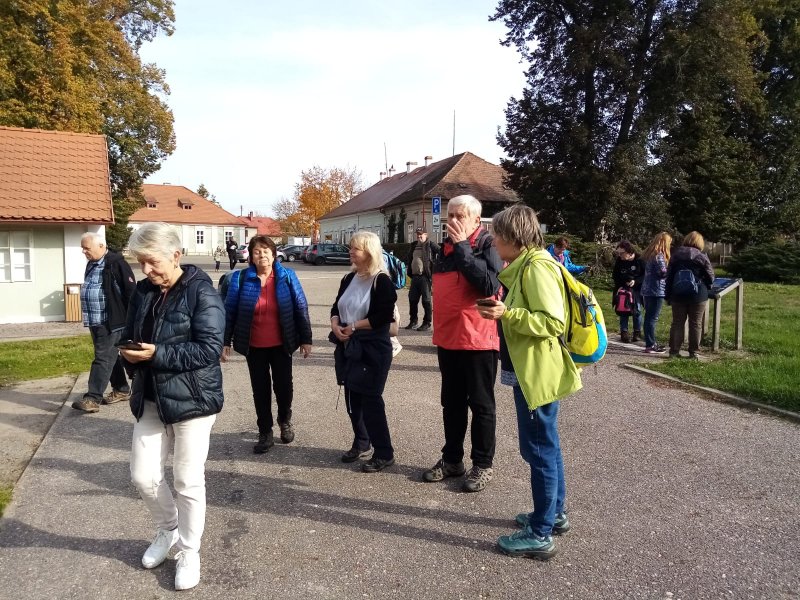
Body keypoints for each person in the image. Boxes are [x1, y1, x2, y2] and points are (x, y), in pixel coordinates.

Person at [119, 222, 225, 591]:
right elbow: (130, 332)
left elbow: (210, 349)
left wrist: (157, 353)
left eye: (151, 262)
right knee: (142, 475)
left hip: (194, 399)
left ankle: (190, 551)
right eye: (141, 263)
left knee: (187, 479)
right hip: (150, 394)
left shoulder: (202, 293)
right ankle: (169, 531)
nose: (146, 271)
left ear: (175, 255)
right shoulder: (144, 292)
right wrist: (130, 353)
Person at [476, 204, 582, 560]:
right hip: (531, 370)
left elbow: (552, 322)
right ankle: (553, 515)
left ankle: (540, 533)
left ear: (513, 238)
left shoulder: (537, 268)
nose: (492, 240)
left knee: (538, 450)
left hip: (538, 375)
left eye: (496, 235)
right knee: (545, 447)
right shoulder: (525, 266)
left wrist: (508, 313)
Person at [423, 194, 503, 493]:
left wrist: (462, 248)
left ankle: (482, 464)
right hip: (448, 338)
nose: (452, 221)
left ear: (475, 218)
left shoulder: (487, 244)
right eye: (450, 216)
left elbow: (488, 285)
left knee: (481, 405)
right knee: (451, 403)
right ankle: (452, 459)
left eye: (459, 216)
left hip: (479, 340)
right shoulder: (444, 248)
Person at [223, 235, 313, 453]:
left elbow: (301, 308)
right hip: (253, 346)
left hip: (282, 344)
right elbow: (229, 312)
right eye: (256, 251)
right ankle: (265, 432)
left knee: (284, 387)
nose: (261, 255)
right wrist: (224, 341)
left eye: (265, 251)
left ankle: (284, 420)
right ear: (250, 256)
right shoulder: (239, 279)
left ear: (274, 254)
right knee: (260, 390)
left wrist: (306, 338)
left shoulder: (287, 276)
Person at [330, 231, 397, 473]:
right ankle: (361, 442)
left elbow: (383, 318)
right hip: (349, 345)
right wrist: (335, 325)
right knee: (352, 399)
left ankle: (384, 452)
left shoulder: (382, 281)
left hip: (372, 349)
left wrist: (354, 326)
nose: (351, 252)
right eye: (351, 247)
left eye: (355, 248)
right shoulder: (349, 278)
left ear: (369, 252)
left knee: (370, 400)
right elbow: (336, 306)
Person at [72, 232, 136, 413]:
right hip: (95, 320)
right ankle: (122, 389)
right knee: (110, 356)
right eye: (83, 248)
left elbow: (131, 292)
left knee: (102, 358)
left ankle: (93, 398)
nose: (84, 251)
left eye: (87, 248)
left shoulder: (116, 264)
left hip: (111, 321)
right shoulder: (92, 263)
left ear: (101, 246)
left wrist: (132, 320)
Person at [665, 231, 715, 359]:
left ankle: (674, 351)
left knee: (677, 323)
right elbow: (710, 276)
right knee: (695, 323)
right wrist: (707, 286)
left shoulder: (675, 256)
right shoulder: (702, 256)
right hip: (698, 294)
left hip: (678, 293)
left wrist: (668, 294)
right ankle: (693, 352)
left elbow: (669, 276)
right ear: (700, 242)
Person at [640, 232, 673, 354]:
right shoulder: (659, 256)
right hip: (656, 290)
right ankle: (651, 344)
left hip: (647, 290)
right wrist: (671, 269)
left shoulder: (650, 255)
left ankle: (650, 343)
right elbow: (662, 273)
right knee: (652, 318)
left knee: (648, 317)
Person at [403, 227, 440, 331]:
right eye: (418, 234)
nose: (419, 236)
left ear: (426, 234)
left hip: (425, 277)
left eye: (421, 234)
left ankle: (427, 323)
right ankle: (413, 321)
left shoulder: (430, 244)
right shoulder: (414, 245)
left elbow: (441, 252)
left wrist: (436, 266)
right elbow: (409, 258)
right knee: (412, 300)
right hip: (414, 277)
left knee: (426, 301)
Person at [612, 240, 645, 343]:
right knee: (623, 310)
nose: (620, 255)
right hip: (622, 288)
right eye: (618, 253)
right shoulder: (619, 260)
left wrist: (635, 281)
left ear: (630, 252)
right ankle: (624, 332)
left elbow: (645, 276)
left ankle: (637, 332)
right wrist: (623, 283)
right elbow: (615, 275)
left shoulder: (640, 260)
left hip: (637, 289)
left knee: (637, 310)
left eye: (622, 253)